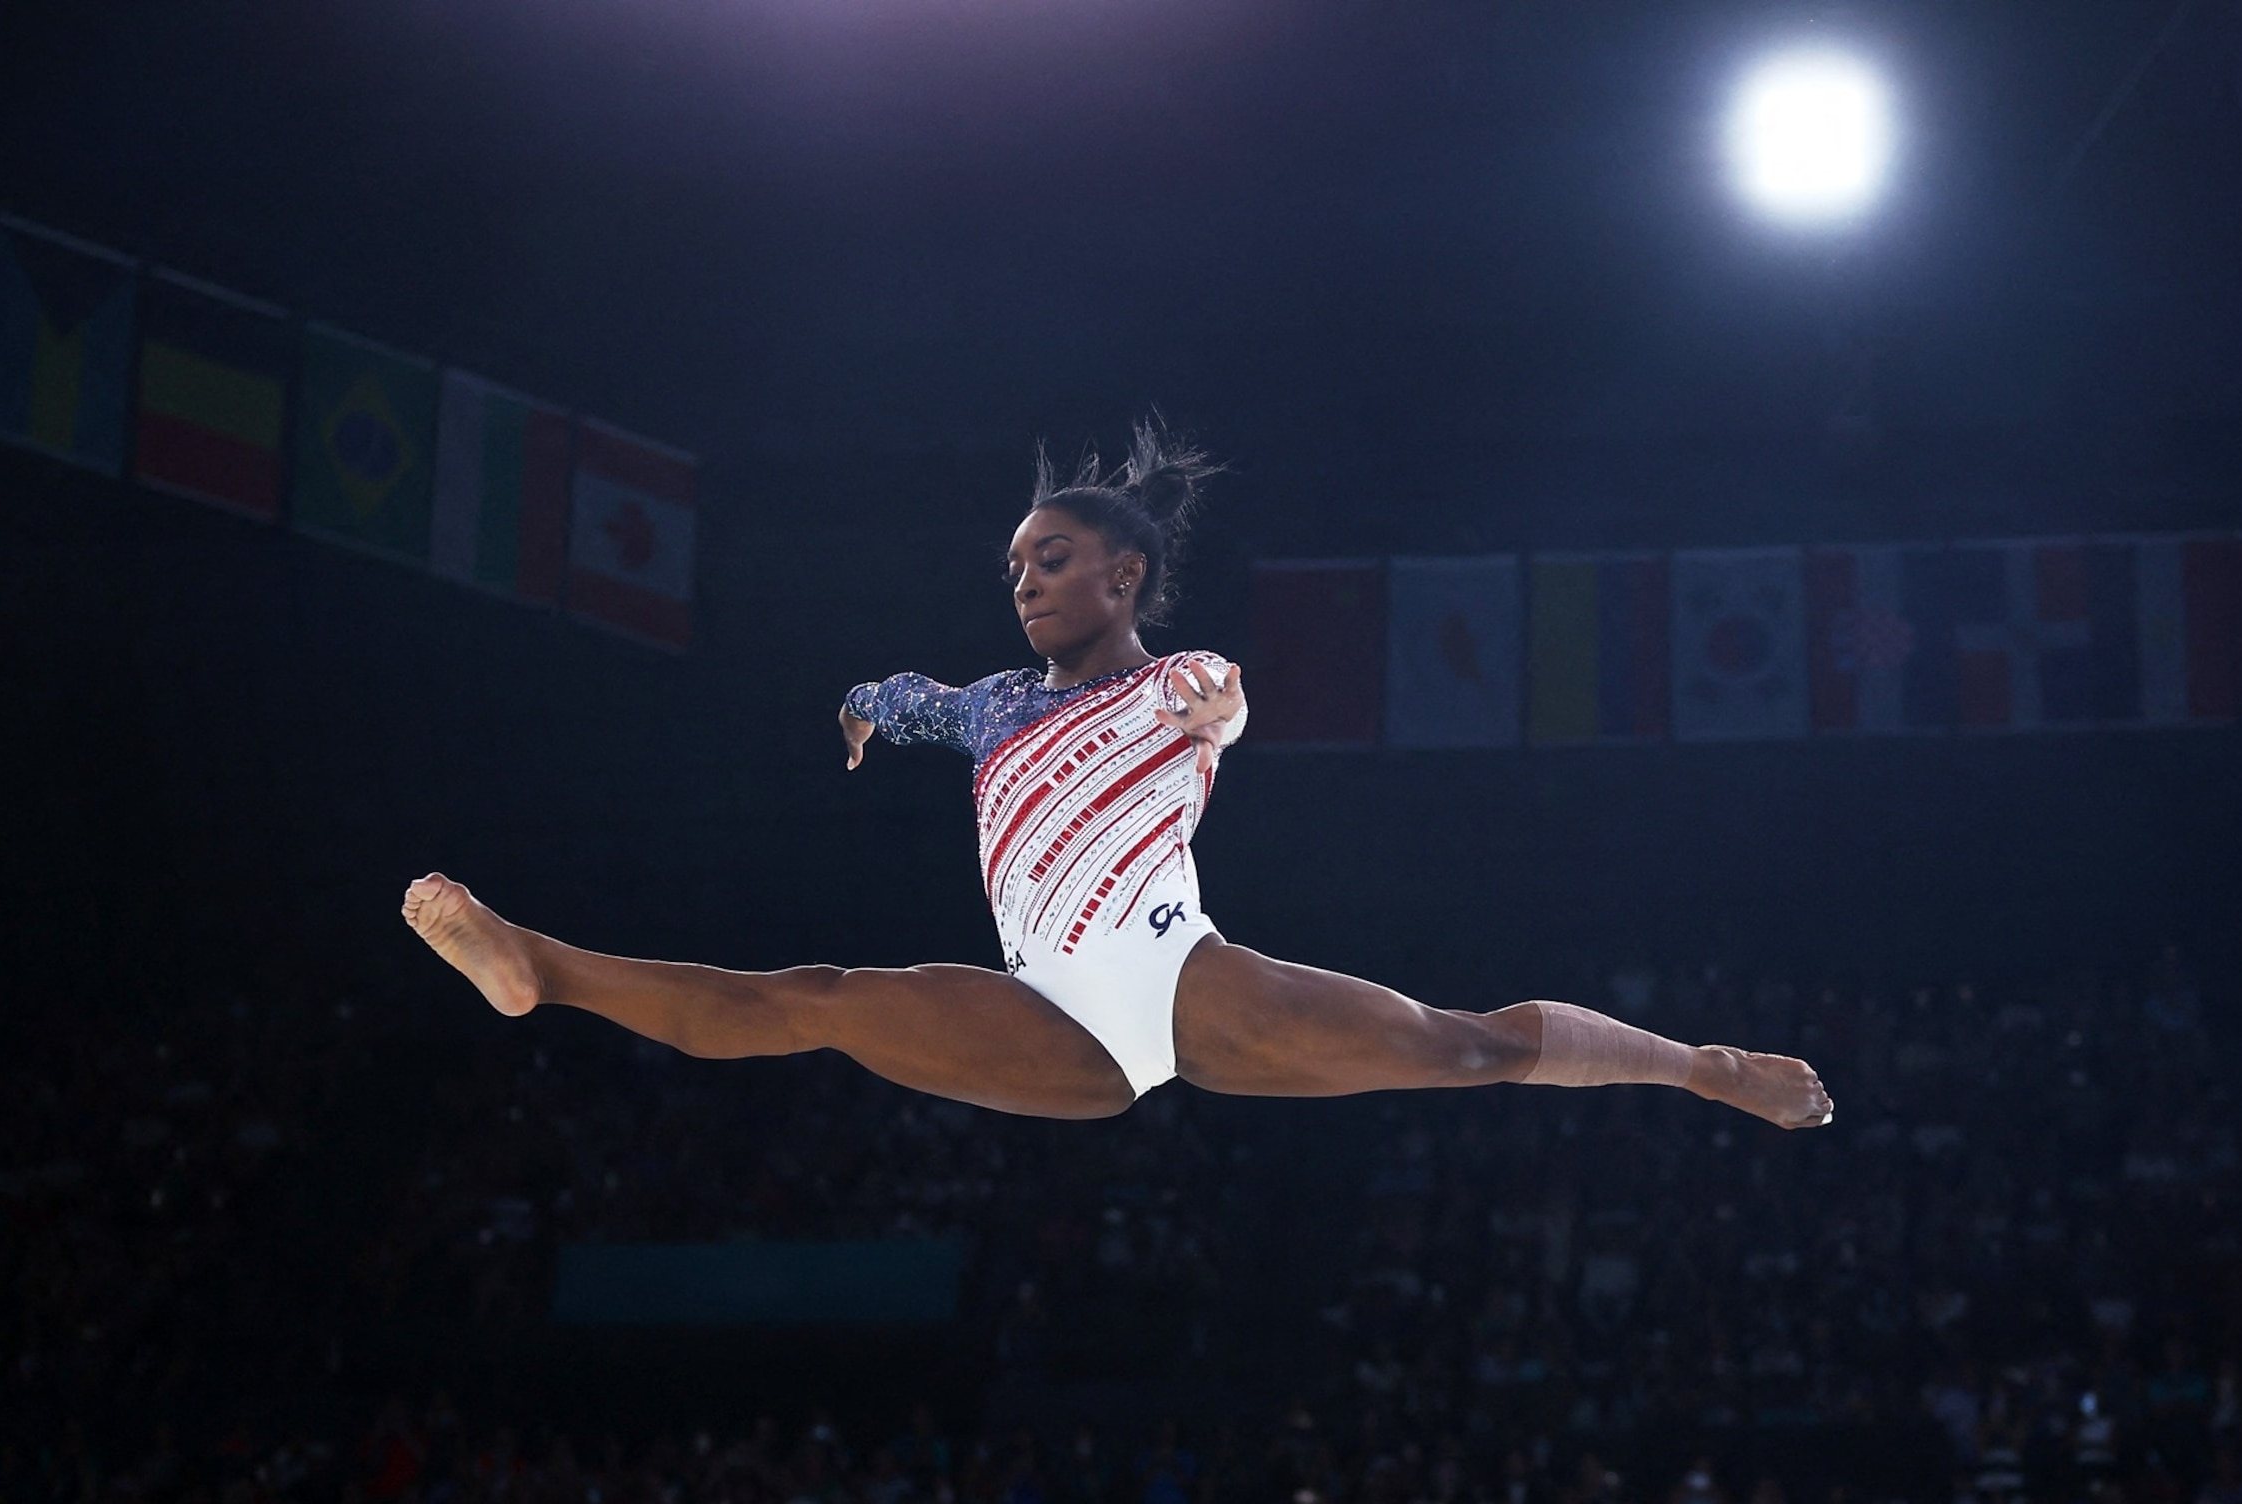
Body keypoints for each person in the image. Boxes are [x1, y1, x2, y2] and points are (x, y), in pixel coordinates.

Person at [404, 423, 1828, 1131]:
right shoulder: (988, 710)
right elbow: (905, 698)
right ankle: (536, 964)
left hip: (1176, 981)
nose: (1022, 579)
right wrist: (856, 711)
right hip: (1045, 1021)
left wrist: (1219, 713)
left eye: (1051, 558)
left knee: (1461, 1045)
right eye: (1013, 564)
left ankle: (1700, 1070)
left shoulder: (1168, 683)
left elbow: (1224, 713)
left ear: (1124, 573)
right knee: (816, 1006)